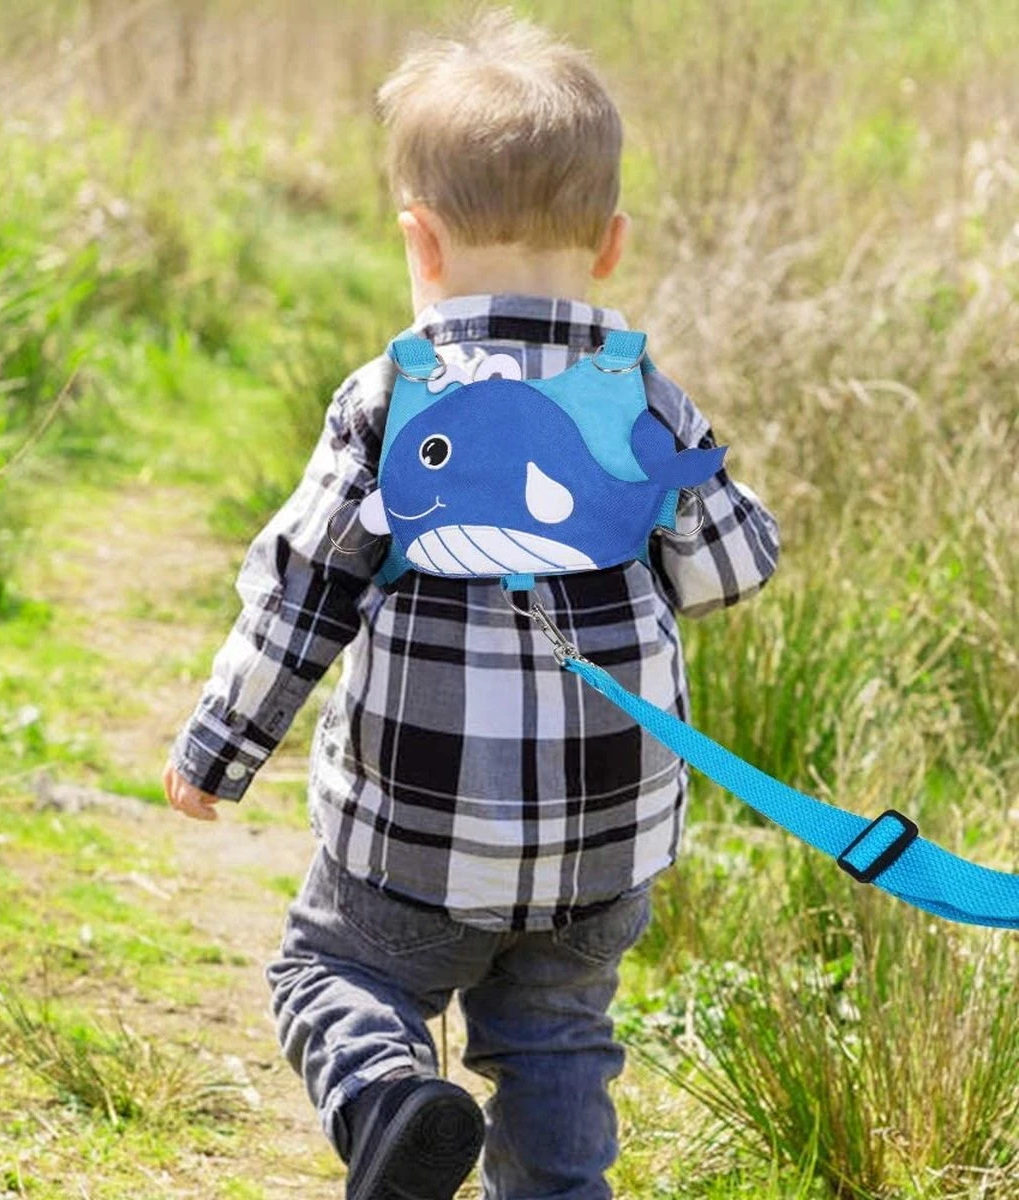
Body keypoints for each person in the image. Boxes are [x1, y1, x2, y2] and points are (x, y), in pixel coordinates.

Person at [164, 9, 780, 1198]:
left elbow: (305, 589)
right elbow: (732, 570)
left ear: (420, 241)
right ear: (611, 245)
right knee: (558, 1043)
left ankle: (390, 1099)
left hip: (417, 835)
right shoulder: (641, 399)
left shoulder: (390, 401)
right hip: (604, 841)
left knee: (332, 973)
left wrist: (221, 746)